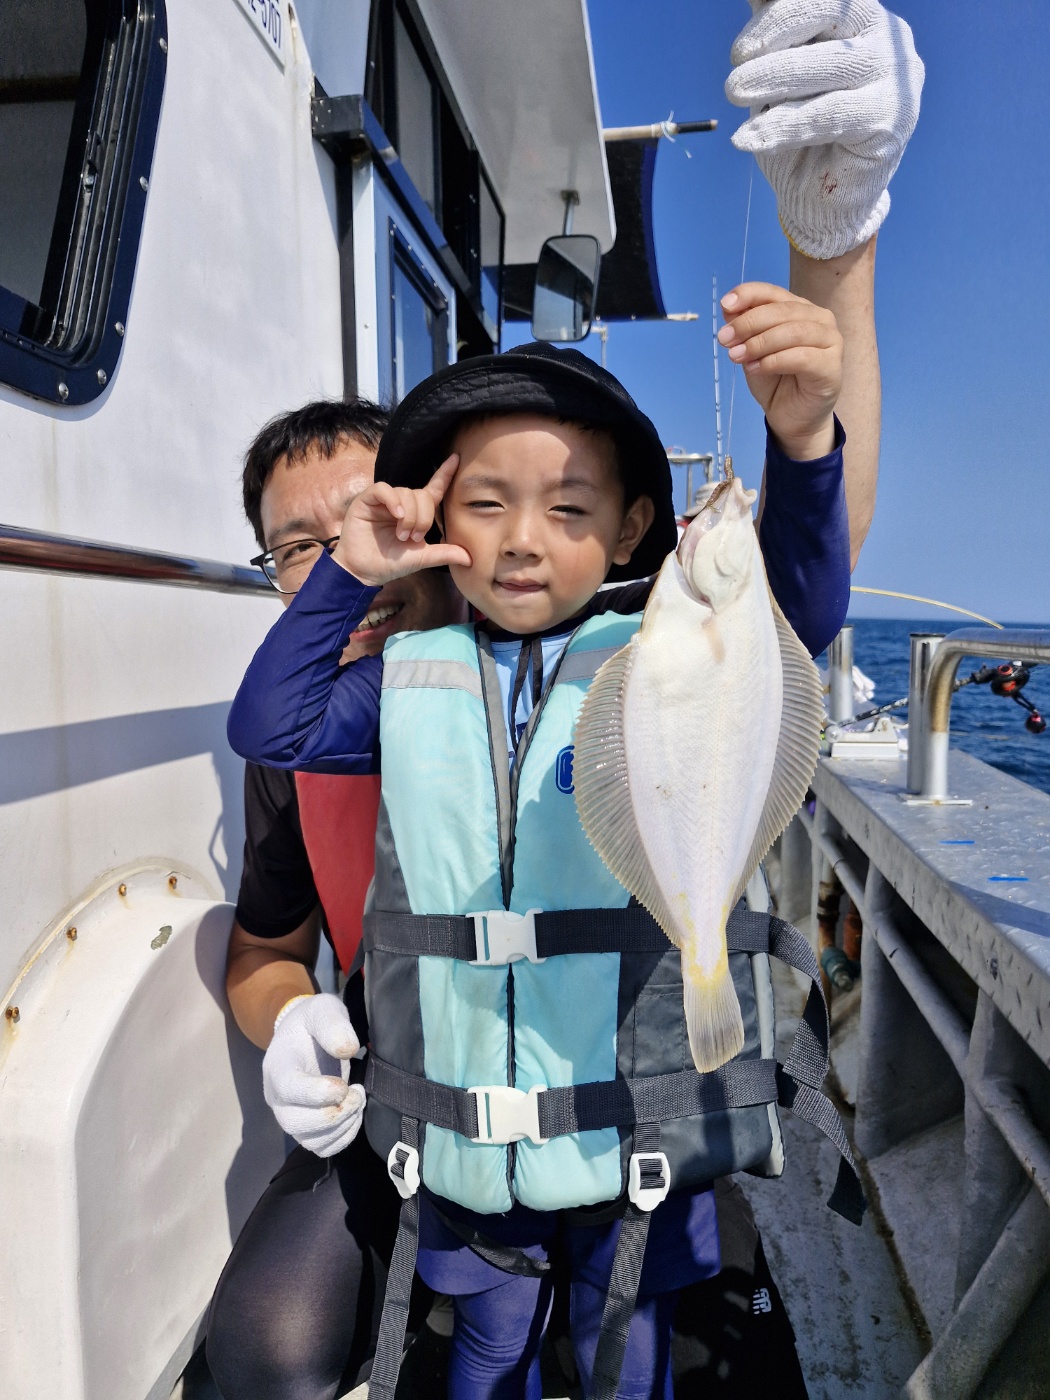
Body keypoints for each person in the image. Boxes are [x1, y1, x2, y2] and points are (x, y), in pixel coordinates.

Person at [226, 277, 848, 1397]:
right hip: (467, 1149)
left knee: (634, 1353)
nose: (523, 542)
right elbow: (270, 722)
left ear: (635, 527)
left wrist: (804, 443)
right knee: (486, 1346)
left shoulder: (661, 640)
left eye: (569, 509)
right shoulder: (404, 682)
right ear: (431, 515)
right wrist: (351, 571)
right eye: (485, 505)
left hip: (634, 1135)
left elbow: (798, 599)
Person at [207, 400, 465, 1400]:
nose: (338, 571)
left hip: (573, 1080)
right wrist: (293, 1023)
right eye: (295, 549)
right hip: (389, 1076)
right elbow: (262, 953)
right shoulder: (291, 748)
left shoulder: (540, 667)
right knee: (262, 1347)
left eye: (362, 527)